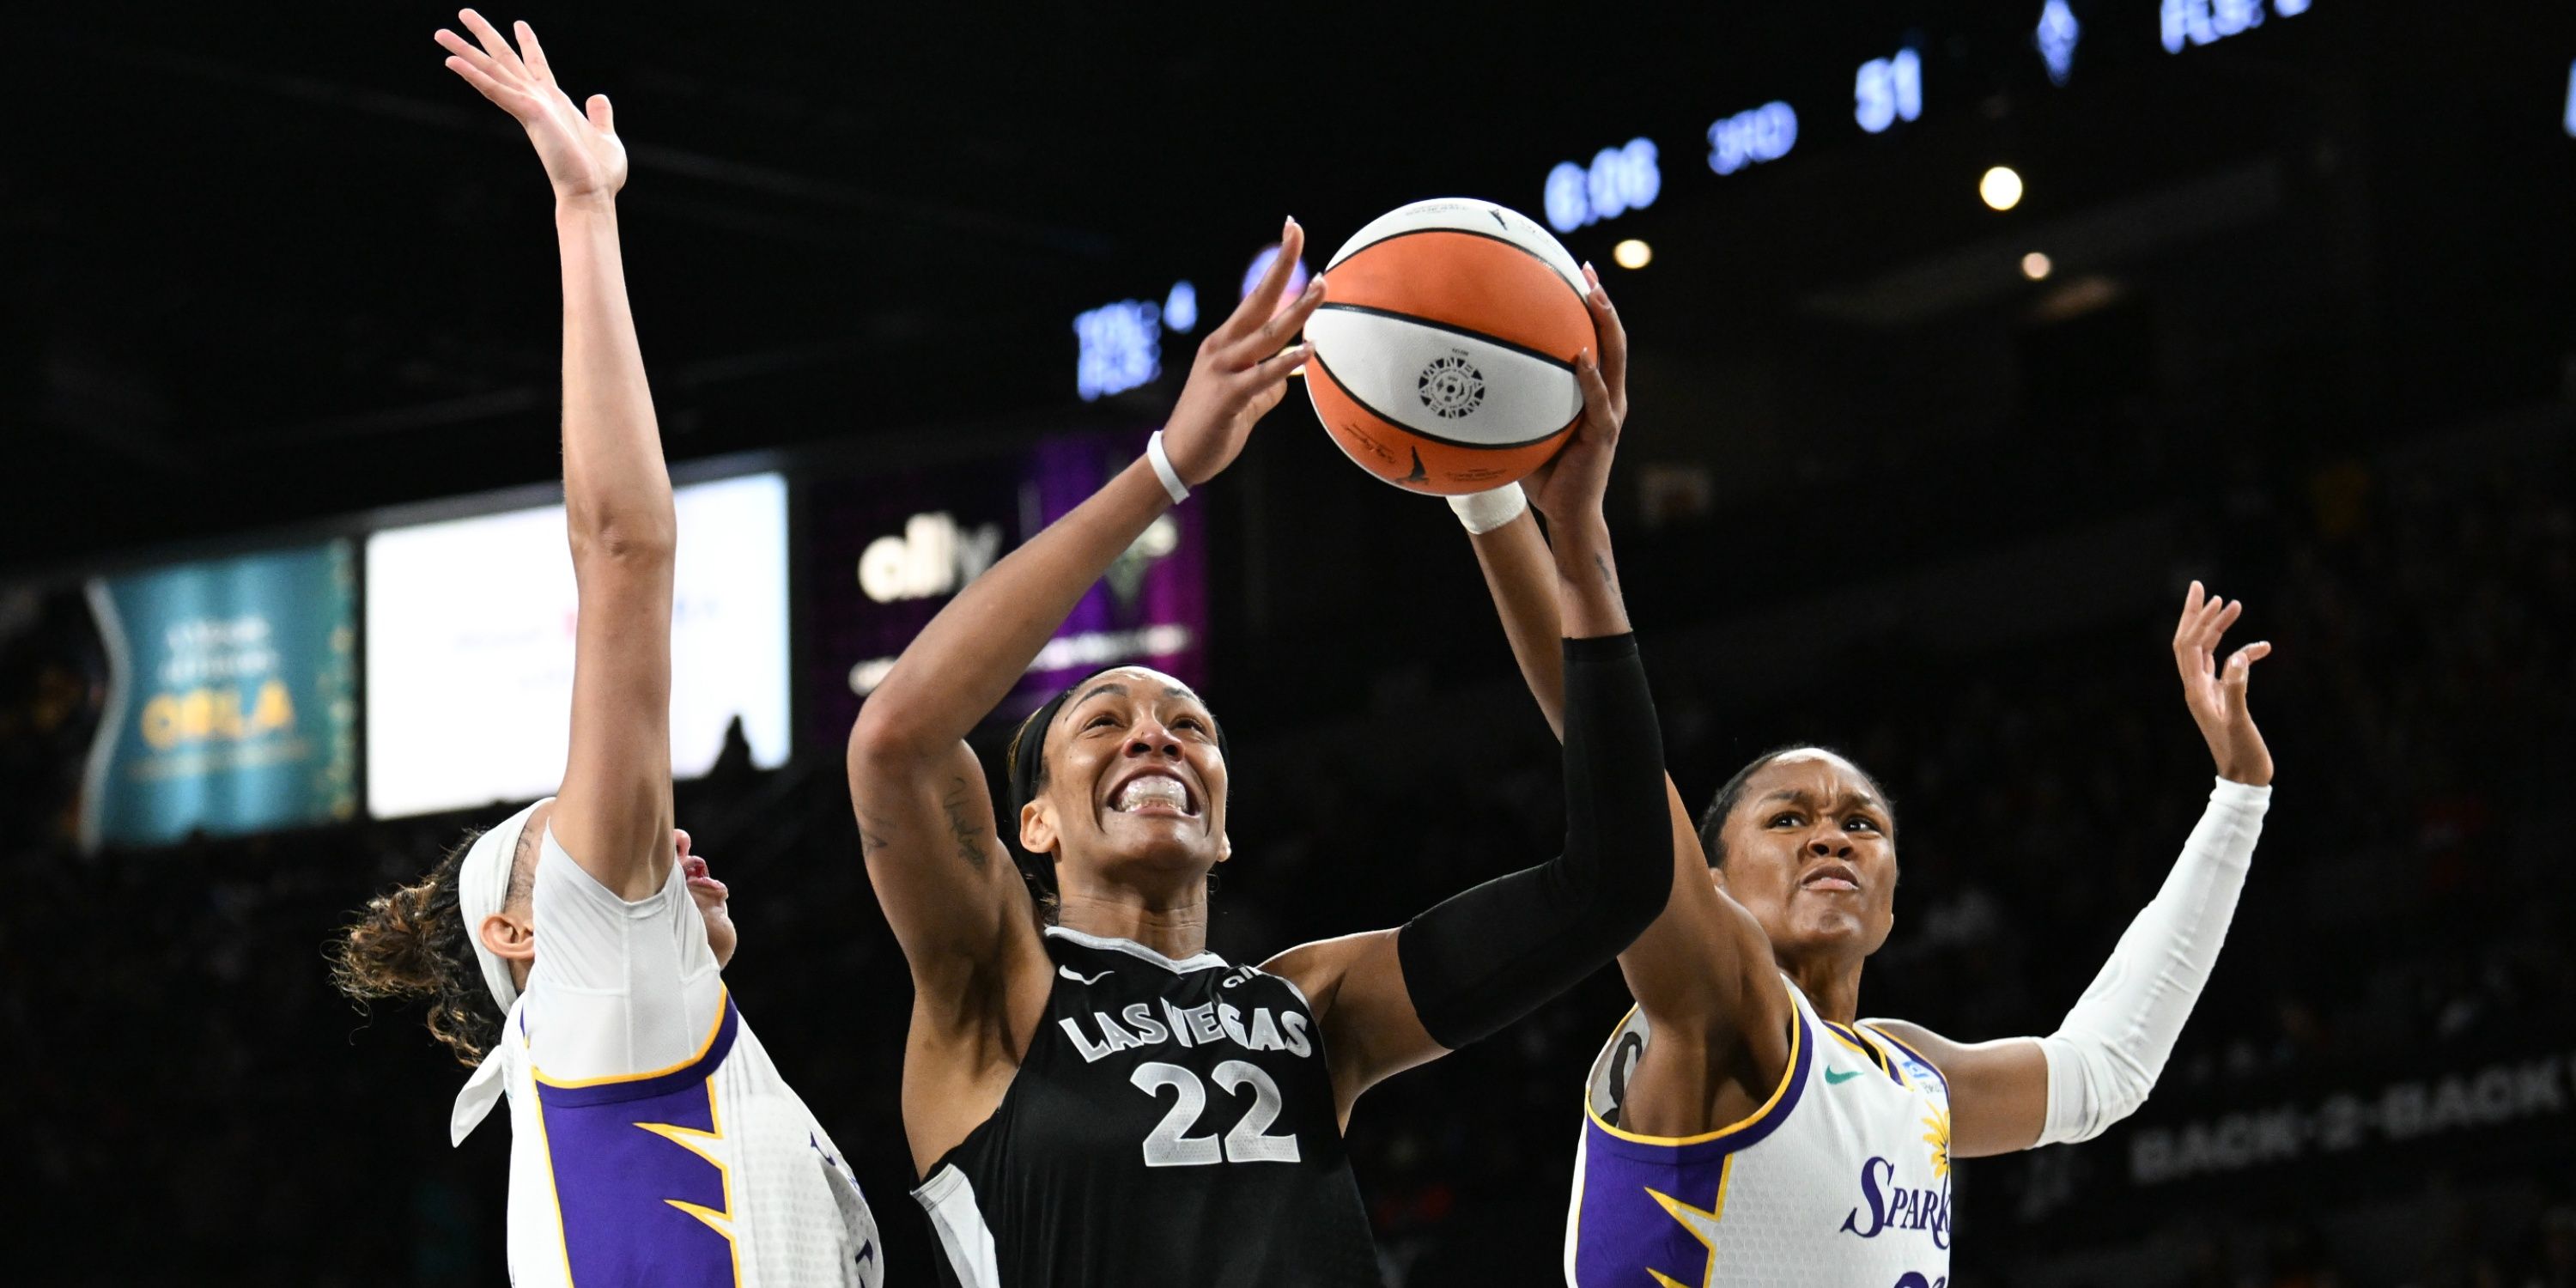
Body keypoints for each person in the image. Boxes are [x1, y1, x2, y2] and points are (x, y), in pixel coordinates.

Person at [845, 224, 1672, 1286]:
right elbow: (898, 742)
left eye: (1192, 727)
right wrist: (1167, 469)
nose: (1155, 734)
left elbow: (1616, 883)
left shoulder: (1314, 1005)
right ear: (1033, 825)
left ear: (1225, 823)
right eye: (1102, 722)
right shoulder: (996, 985)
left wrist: (1571, 536)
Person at [1446, 271, 2275, 1287]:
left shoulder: (1906, 1076)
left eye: (1861, 825)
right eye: (1787, 818)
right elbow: (1612, 759)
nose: (1831, 836)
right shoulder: (1721, 1010)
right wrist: (1507, 506)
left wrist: (2237, 798)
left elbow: (2107, 1071)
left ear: (1893, 899)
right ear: (1707, 888)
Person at [331, 14, 879, 1284]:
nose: (643, 831)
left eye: (575, 831)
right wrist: (585, 217)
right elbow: (624, 551)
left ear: (533, 931)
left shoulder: (615, 989)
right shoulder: (616, 1000)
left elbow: (629, 556)